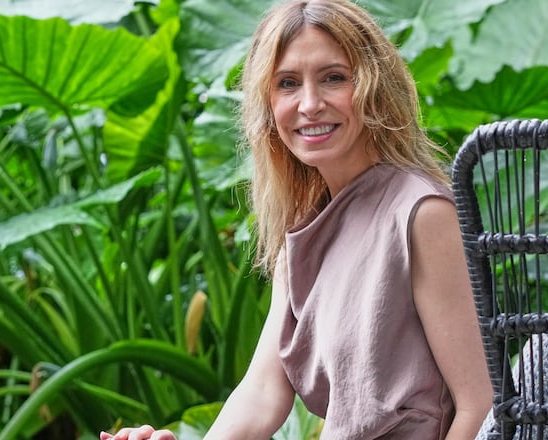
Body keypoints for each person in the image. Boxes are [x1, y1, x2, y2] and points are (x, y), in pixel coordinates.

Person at [101, 0, 492, 438]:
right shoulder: (303, 230)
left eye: (334, 78)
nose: (310, 104)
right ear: (268, 104)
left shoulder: (422, 214)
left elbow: (480, 406)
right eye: (288, 83)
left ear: (375, 86)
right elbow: (264, 392)